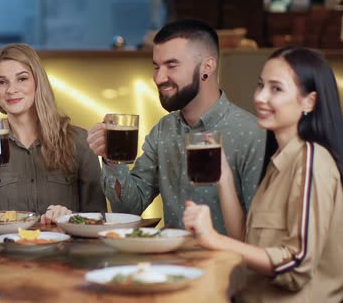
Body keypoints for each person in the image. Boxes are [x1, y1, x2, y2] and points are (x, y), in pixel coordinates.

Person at [183, 47, 343, 302]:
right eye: (261, 86)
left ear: (309, 101)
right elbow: (246, 244)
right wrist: (223, 176)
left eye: (276, 89)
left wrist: (213, 239)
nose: (260, 97)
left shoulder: (311, 163)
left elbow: (295, 264)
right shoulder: (279, 161)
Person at [87, 19, 266, 233]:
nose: (159, 77)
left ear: (207, 66)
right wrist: (112, 161)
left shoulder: (251, 133)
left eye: (172, 65)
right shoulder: (164, 129)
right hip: (169, 261)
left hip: (226, 262)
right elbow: (129, 208)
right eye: (156, 66)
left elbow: (259, 232)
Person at [0, 43, 106, 224]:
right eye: (1, 82)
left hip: (63, 249)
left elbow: (98, 219)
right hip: (3, 248)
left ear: (38, 82)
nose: (11, 90)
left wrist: (71, 217)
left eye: (22, 79)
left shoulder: (80, 142)